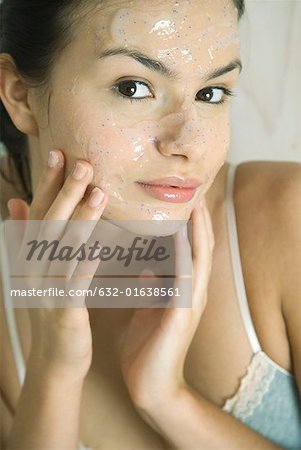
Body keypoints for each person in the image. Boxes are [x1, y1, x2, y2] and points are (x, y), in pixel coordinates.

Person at [0, 0, 300, 449]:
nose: (189, 144)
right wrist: (52, 370)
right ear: (20, 93)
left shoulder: (287, 216)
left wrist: (167, 400)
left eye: (211, 93)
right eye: (133, 87)